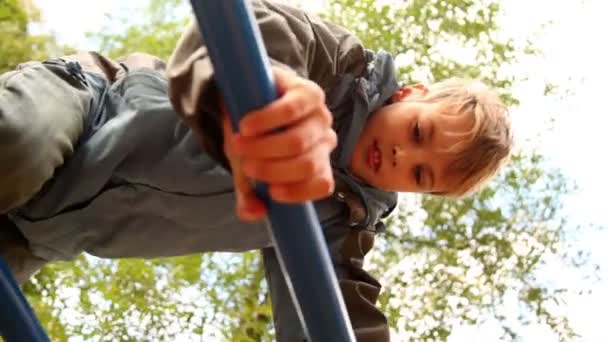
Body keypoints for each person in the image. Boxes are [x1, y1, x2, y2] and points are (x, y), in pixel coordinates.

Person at [0, 0, 512, 341]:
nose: (404, 156)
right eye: (418, 133)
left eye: (421, 175)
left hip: (40, 237)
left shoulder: (338, 224)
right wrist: (265, 95)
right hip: (86, 107)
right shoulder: (335, 66)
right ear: (408, 94)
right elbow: (252, 32)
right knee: (17, 145)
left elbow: (331, 317)